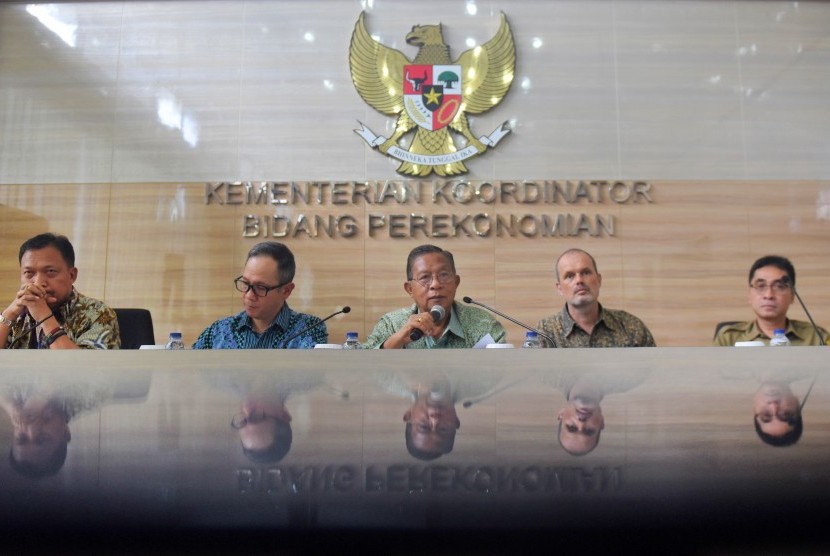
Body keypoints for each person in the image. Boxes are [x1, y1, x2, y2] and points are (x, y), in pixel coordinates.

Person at [364, 244, 506, 349]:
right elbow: (362, 366)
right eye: (425, 277)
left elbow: (500, 375)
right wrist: (398, 338)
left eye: (443, 275)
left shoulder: (483, 324)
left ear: (456, 282)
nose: (435, 285)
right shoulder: (391, 324)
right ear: (410, 289)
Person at [192, 242, 327, 349]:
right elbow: (188, 372)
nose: (249, 295)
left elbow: (311, 379)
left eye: (260, 287)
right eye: (245, 283)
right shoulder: (219, 331)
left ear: (286, 291)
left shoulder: (309, 329)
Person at [0, 233, 120, 350]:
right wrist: (8, 315)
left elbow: (85, 367)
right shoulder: (15, 315)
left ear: (72, 275)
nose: (37, 283)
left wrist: (44, 317)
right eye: (29, 273)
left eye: (50, 271)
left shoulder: (98, 314)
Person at [536, 248, 655, 348]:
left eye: (586, 273)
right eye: (570, 276)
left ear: (599, 280)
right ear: (560, 288)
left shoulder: (631, 327)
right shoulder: (545, 332)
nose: (579, 280)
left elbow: (654, 372)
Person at [714, 255, 828, 346]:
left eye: (779, 286)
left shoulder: (816, 337)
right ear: (749, 294)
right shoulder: (729, 338)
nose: (769, 295)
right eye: (761, 286)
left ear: (792, 295)